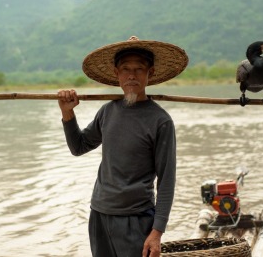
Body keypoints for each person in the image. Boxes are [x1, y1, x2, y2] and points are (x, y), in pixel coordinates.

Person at [57, 36, 188, 257]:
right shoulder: (108, 111)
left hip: (136, 220)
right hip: (99, 214)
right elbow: (78, 147)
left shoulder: (160, 121)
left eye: (139, 69)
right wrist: (67, 112)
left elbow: (167, 181)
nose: (131, 75)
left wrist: (157, 232)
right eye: (125, 69)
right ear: (117, 74)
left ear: (151, 73)